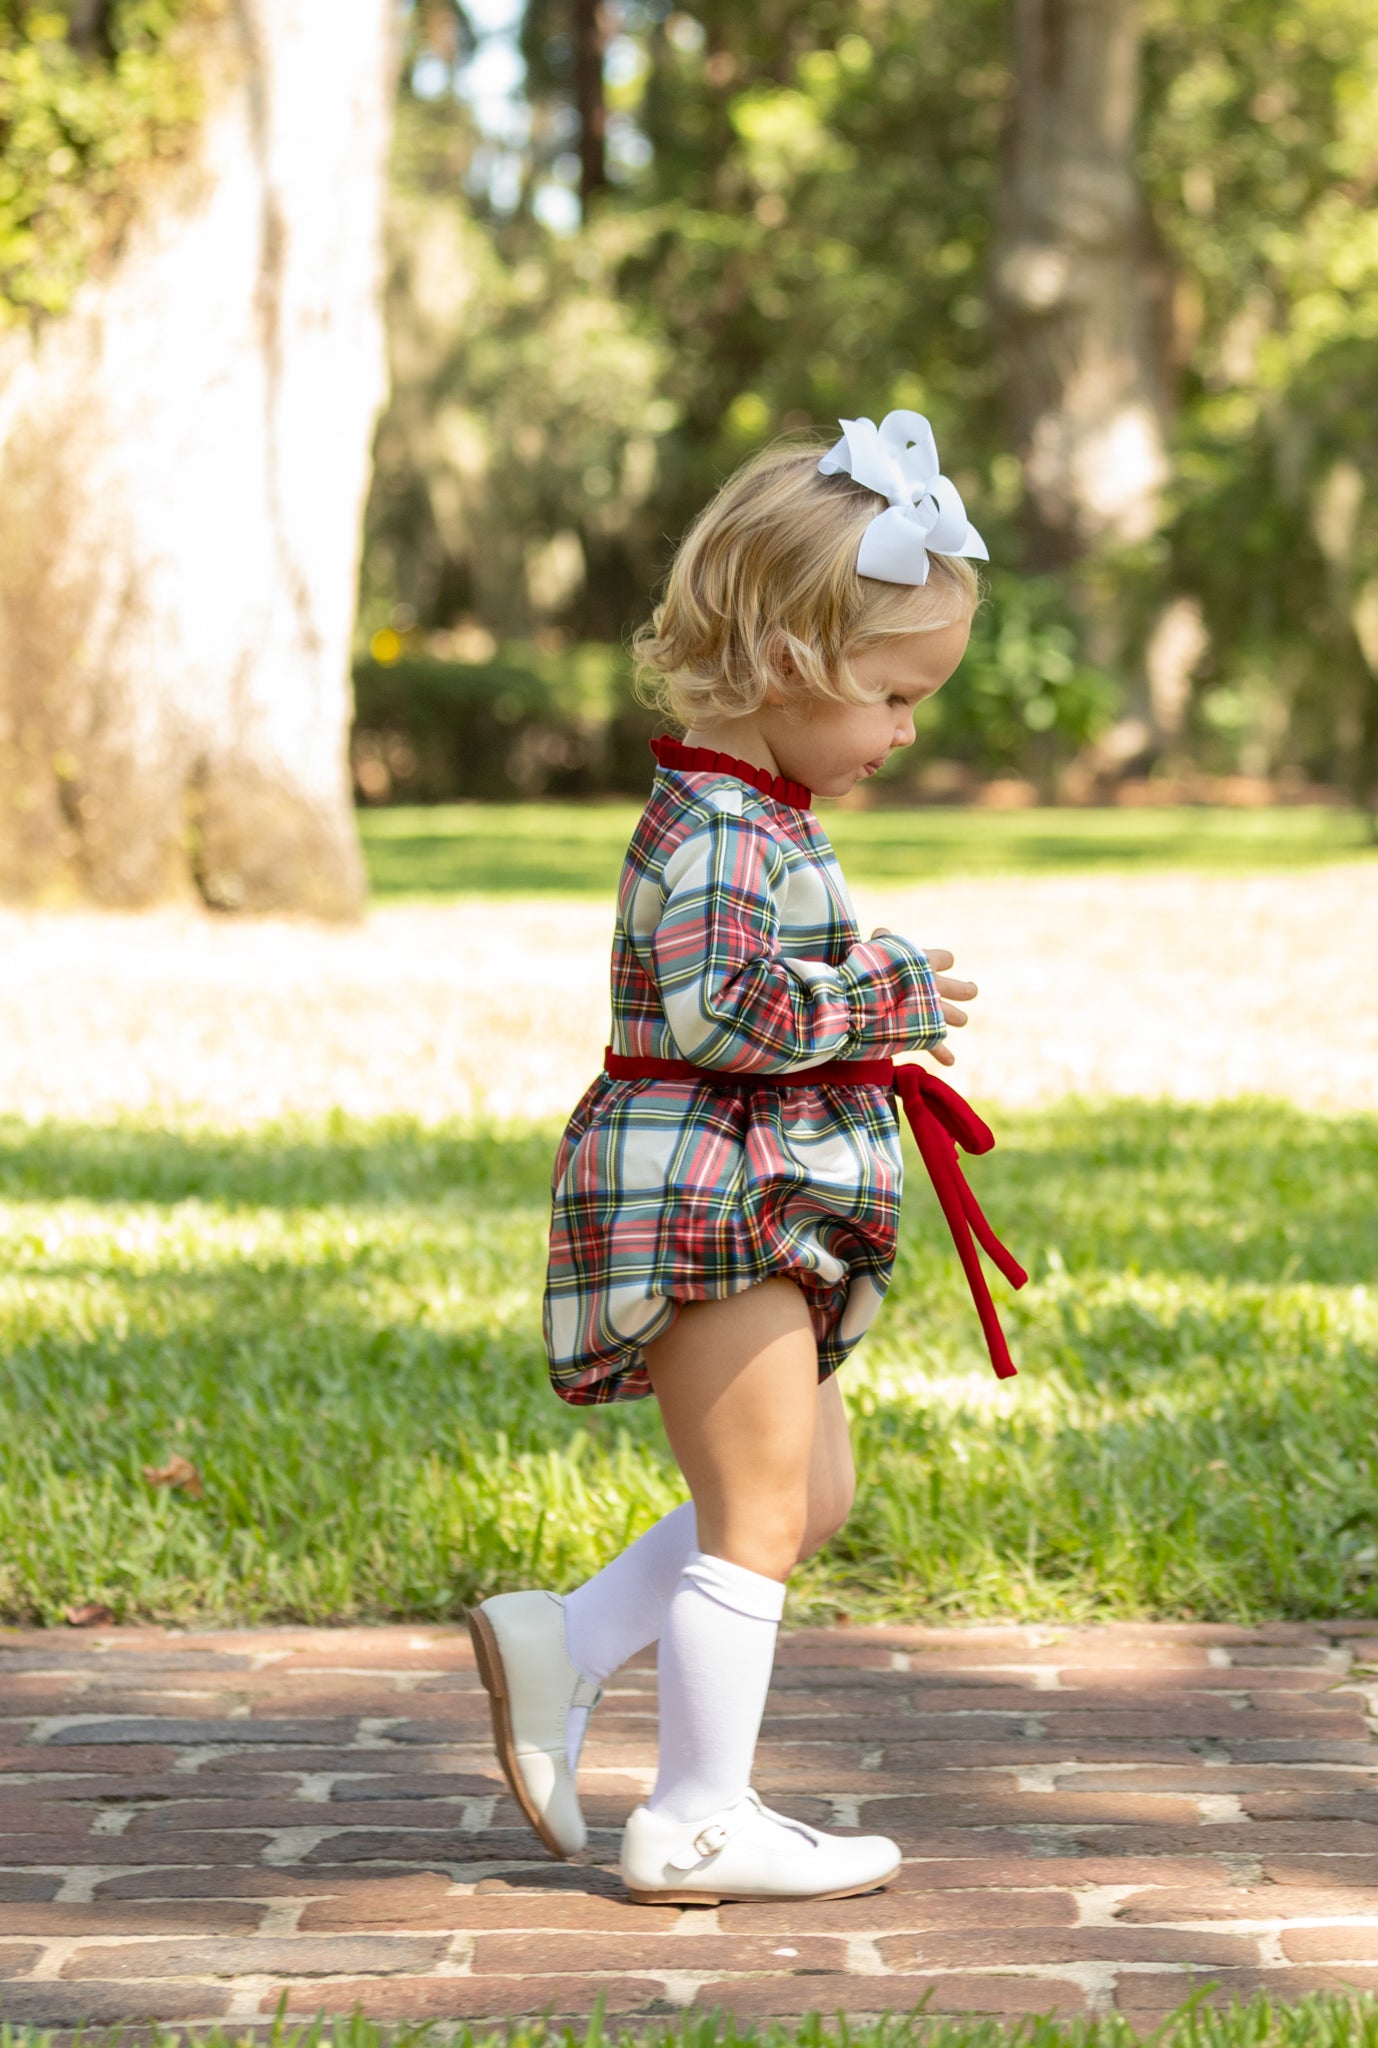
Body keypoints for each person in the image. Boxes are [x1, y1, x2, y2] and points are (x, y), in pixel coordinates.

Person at [465, 411, 1025, 1907]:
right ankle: (696, 1814)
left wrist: (864, 985)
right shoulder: (721, 824)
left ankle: (567, 1641)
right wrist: (881, 1000)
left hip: (747, 1182)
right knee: (760, 1516)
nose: (908, 732)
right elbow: (723, 1008)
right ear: (789, 660)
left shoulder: (752, 809)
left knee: (804, 1496)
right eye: (896, 696)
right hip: (715, 1196)